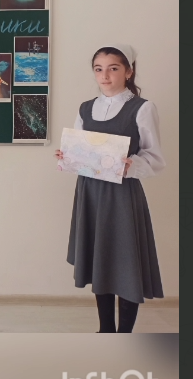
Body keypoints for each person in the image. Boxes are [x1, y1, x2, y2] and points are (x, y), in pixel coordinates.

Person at [55, 44, 165, 333]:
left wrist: (132, 165)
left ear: (128, 72)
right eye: (98, 69)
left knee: (125, 262)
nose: (105, 76)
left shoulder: (142, 108)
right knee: (99, 260)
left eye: (113, 68)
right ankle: (105, 331)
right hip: (90, 193)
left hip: (122, 195)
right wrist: (67, 155)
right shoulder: (85, 108)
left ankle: (124, 335)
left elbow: (155, 157)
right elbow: (81, 149)